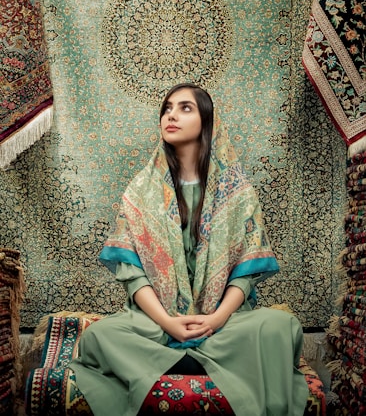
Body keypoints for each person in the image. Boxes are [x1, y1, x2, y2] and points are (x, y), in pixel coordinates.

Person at [69, 83, 309, 415]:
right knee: (98, 337)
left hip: (223, 323)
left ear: (207, 122)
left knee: (281, 328)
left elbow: (246, 273)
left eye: (185, 108)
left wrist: (215, 319)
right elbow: (133, 274)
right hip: (156, 324)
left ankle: (176, 358)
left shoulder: (237, 192)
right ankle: (203, 357)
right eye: (167, 109)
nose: (171, 115)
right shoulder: (141, 191)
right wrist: (168, 322)